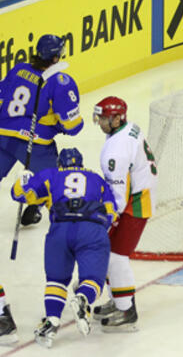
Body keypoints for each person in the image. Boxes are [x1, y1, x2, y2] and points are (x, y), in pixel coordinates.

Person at [10, 148, 117, 348]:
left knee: (56, 281)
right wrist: (97, 230)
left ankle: (51, 322)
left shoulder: (51, 175)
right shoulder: (97, 179)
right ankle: (83, 298)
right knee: (93, 279)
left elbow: (19, 194)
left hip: (59, 230)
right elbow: (111, 212)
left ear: (60, 164)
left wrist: (22, 180)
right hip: (91, 229)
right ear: (81, 163)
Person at [0, 34, 83, 225]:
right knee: (52, 181)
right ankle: (35, 209)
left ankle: (33, 208)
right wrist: (57, 123)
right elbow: (73, 127)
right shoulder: (60, 81)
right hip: (35, 142)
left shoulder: (19, 69)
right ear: (56, 58)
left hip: (3, 134)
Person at [92, 96, 157, 331]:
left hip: (136, 203)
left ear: (118, 118)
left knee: (116, 256)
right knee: (110, 253)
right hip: (139, 193)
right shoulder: (127, 129)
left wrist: (105, 219)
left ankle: (127, 310)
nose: (100, 122)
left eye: (104, 119)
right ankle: (119, 300)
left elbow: (118, 197)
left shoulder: (116, 151)